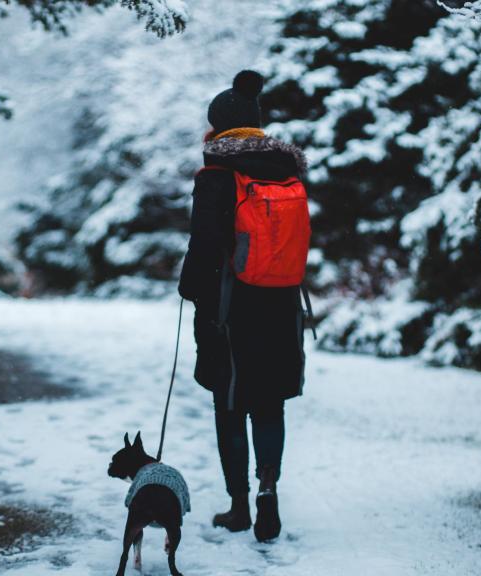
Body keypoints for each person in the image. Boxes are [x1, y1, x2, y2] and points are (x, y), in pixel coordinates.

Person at [178, 70, 308, 543]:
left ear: (218, 128)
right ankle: (268, 490)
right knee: (269, 402)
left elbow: (206, 245)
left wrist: (190, 288)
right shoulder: (287, 171)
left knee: (229, 405)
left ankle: (238, 506)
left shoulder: (217, 175)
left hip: (229, 308)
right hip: (281, 304)